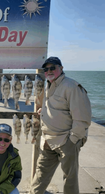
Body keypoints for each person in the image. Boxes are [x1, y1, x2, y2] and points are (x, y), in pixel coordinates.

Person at [30, 57, 92, 194]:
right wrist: (44, 111)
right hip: (48, 140)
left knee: (70, 180)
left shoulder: (72, 86)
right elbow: (59, 107)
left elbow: (83, 117)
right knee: (40, 175)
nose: (49, 71)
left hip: (66, 141)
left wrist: (73, 140)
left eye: (53, 68)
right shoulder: (48, 84)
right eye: (46, 69)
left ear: (61, 68)